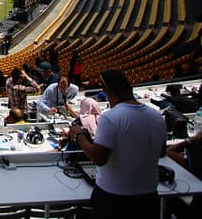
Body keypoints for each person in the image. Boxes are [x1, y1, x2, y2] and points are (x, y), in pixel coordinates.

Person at [68, 69, 166, 219]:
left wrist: (79, 135)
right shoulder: (157, 117)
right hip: (148, 197)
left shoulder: (110, 117)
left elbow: (99, 158)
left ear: (107, 91)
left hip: (114, 198)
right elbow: (161, 152)